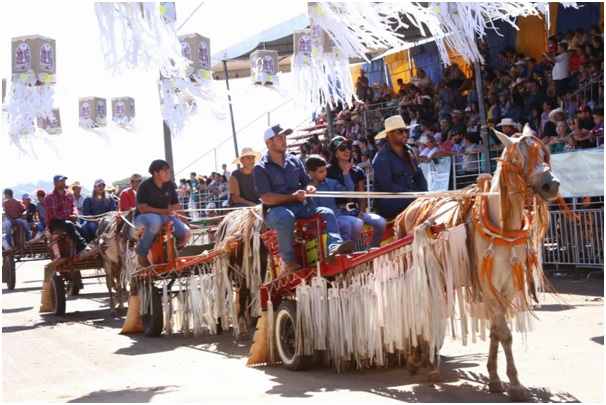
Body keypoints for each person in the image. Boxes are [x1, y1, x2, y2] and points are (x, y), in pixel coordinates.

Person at [253, 124, 354, 272]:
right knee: (285, 216)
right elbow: (267, 198)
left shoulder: (294, 160)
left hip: (299, 206)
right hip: (275, 211)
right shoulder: (260, 168)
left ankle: (334, 247)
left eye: (285, 137)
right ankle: (288, 261)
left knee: (327, 212)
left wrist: (310, 188)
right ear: (269, 142)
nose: (284, 140)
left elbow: (307, 182)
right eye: (279, 138)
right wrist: (292, 197)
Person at [327, 136, 387, 248]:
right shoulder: (328, 172)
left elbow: (362, 196)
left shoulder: (357, 170)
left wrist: (361, 212)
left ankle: (372, 250)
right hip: (339, 212)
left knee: (381, 222)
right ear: (335, 153)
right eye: (342, 148)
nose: (347, 150)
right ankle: (347, 254)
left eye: (348, 147)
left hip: (356, 211)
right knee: (356, 225)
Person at [134, 159, 194, 267]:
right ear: (155, 173)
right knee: (155, 221)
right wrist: (164, 211)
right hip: (142, 218)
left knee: (187, 234)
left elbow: (176, 206)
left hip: (163, 216)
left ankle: (172, 252)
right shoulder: (144, 185)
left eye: (168, 170)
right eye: (164, 170)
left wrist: (187, 223)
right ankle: (142, 252)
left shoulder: (170, 185)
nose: (168, 173)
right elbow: (142, 209)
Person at [372, 115, 428, 220]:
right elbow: (387, 186)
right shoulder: (381, 157)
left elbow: (419, 175)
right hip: (387, 202)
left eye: (405, 131)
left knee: (431, 200)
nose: (405, 134)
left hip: (409, 196)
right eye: (400, 131)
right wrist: (412, 194)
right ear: (389, 134)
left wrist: (425, 193)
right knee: (414, 201)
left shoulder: (409, 151)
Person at [305, 154, 363, 245]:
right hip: (317, 223)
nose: (325, 173)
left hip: (335, 217)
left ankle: (348, 249)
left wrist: (346, 174)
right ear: (311, 173)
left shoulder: (331, 183)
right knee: (346, 225)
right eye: (321, 172)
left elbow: (348, 193)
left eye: (325, 170)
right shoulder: (306, 187)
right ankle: (342, 252)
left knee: (358, 223)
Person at [44, 175, 89, 255]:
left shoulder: (68, 193)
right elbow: (54, 214)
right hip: (54, 223)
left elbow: (73, 206)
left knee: (81, 227)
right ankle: (84, 246)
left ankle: (88, 247)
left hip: (68, 220)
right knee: (69, 225)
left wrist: (75, 213)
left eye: (64, 181)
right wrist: (68, 217)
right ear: (55, 183)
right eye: (60, 181)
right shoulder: (50, 196)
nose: (63, 182)